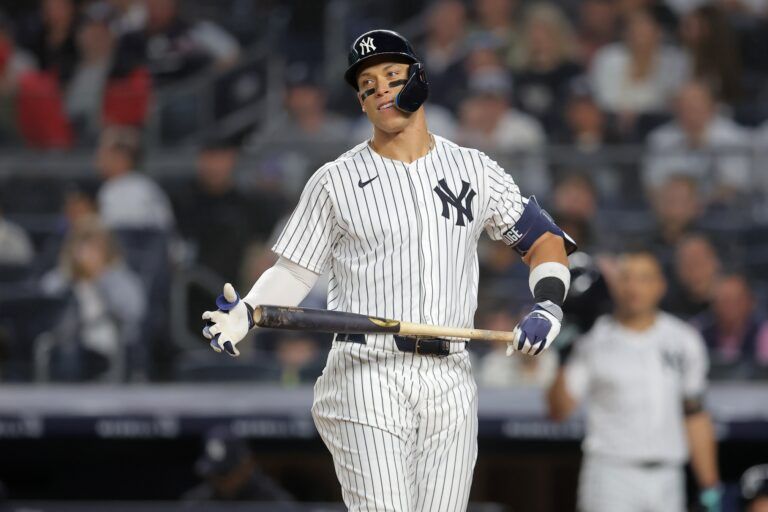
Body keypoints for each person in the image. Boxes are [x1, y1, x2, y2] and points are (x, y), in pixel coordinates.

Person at [202, 29, 576, 512]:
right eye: (367, 84)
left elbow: (543, 240)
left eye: (391, 76)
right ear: (361, 102)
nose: (379, 89)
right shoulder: (335, 180)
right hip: (367, 371)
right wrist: (248, 312)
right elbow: (295, 272)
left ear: (418, 80)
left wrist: (547, 305)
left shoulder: (474, 169)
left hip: (450, 374)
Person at [547, 250, 722, 512]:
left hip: (668, 474)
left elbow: (695, 414)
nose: (634, 287)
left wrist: (710, 485)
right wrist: (562, 358)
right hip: (611, 474)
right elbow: (559, 411)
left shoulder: (684, 340)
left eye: (644, 278)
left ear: (660, 285)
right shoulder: (592, 339)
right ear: (615, 284)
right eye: (626, 278)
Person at [643, 80, 752, 204]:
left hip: (722, 209)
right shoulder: (659, 139)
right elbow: (653, 185)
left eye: (696, 105)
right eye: (684, 106)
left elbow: (734, 184)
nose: (690, 112)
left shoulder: (733, 137)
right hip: (672, 209)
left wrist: (697, 204)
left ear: (712, 107)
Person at [589, 7, 688, 133]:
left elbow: (672, 100)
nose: (639, 33)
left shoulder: (674, 60)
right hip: (613, 123)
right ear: (625, 33)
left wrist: (639, 115)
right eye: (634, 28)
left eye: (645, 27)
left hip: (660, 123)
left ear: (658, 32)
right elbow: (602, 98)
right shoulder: (608, 57)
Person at [512, 2, 584, 134]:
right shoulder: (518, 74)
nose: (538, 38)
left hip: (563, 140)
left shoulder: (572, 71)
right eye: (534, 32)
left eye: (545, 31)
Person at [183, 425, 294, 502]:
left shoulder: (273, 502)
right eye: (214, 474)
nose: (220, 481)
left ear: (246, 465)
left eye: (224, 473)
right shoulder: (197, 502)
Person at [95, 125, 174, 231]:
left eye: (105, 154)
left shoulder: (132, 190)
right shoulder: (145, 186)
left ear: (123, 158)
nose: (99, 160)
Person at [693, 273, 768, 379]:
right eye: (723, 300)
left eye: (735, 300)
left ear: (750, 302)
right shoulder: (697, 331)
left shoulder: (763, 332)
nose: (728, 307)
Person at [663, 233, 721, 318]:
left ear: (716, 263)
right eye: (687, 263)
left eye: (700, 262)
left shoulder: (731, 304)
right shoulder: (667, 308)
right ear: (678, 269)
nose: (695, 270)